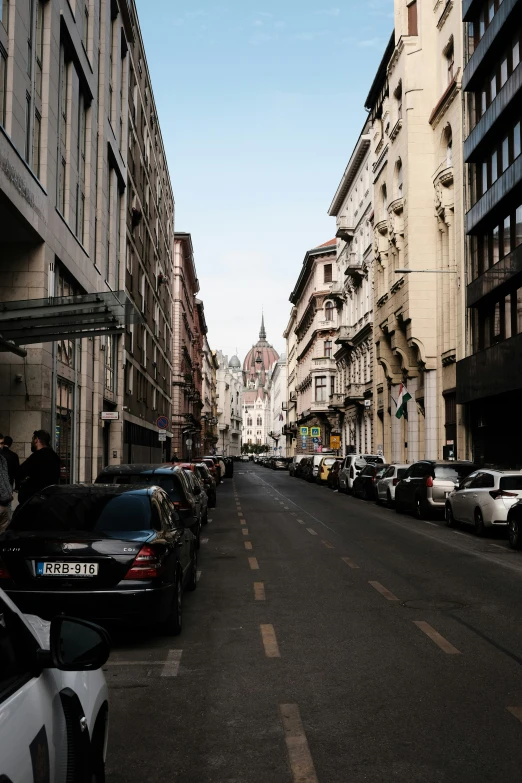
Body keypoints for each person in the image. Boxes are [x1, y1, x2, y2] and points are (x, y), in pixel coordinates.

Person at [17, 430, 61, 507]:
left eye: (33, 439)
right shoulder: (55, 456)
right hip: (50, 498)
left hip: (34, 499)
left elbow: (20, 472)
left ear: (36, 440)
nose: (32, 442)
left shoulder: (37, 456)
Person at [0, 453, 13, 533]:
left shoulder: (2, 459)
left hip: (6, 501)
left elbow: (6, 477)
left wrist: (9, 492)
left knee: (4, 533)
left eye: (2, 443)